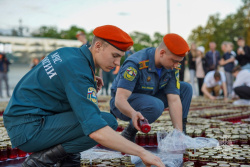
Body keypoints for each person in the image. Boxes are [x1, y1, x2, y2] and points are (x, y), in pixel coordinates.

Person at [3, 25, 164, 167]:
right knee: (106, 122)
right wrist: (142, 152)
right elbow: (96, 130)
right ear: (98, 46)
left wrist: (88, 83)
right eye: (115, 55)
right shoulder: (78, 71)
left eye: (120, 57)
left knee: (87, 115)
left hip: (22, 120)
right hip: (29, 130)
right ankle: (40, 161)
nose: (117, 63)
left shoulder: (69, 53)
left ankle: (68, 158)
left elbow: (55, 88)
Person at [110, 33, 192, 143]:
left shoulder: (171, 66)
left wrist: (179, 134)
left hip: (149, 98)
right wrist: (134, 115)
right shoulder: (136, 63)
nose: (176, 65)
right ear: (162, 53)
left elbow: (174, 99)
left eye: (178, 62)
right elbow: (119, 100)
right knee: (156, 105)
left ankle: (182, 133)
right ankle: (129, 133)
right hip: (123, 105)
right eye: (174, 61)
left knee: (186, 88)